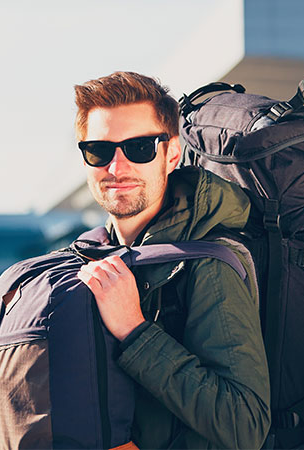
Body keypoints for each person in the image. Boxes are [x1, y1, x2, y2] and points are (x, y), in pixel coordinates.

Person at [74, 71, 271, 449]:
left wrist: (135, 330)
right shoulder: (91, 254)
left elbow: (246, 425)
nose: (117, 168)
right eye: (99, 150)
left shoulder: (209, 264)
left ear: (172, 154)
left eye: (140, 148)